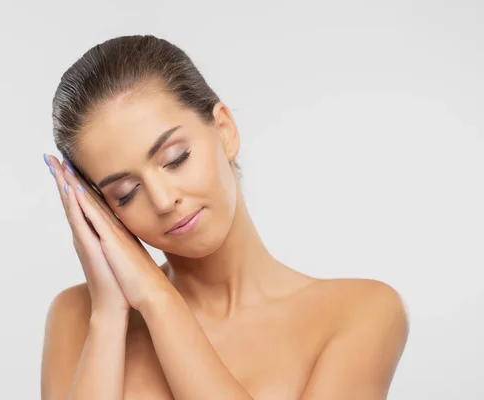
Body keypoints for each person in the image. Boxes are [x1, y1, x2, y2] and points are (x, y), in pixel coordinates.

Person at [40, 34, 409, 400]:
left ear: (225, 130)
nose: (164, 200)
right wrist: (108, 317)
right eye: (126, 193)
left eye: (175, 158)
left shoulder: (361, 312)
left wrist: (159, 299)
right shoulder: (81, 317)